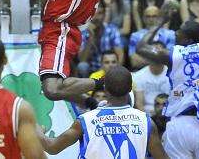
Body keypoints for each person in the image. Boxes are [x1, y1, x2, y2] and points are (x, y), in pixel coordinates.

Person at [136, 16, 199, 158]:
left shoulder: (174, 55)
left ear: (188, 41)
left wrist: (160, 22)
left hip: (180, 125)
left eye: (179, 33)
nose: (175, 34)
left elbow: (140, 47)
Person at [35, 65, 169, 159]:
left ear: (104, 89)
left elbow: (52, 147)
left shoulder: (85, 121)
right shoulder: (146, 122)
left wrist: (37, 131)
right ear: (130, 88)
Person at [129, 6, 175, 70]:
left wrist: (147, 58)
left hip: (165, 72)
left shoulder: (170, 34)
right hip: (142, 71)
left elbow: (171, 57)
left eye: (154, 16)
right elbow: (134, 62)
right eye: (148, 16)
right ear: (143, 18)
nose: (151, 19)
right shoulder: (135, 36)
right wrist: (159, 60)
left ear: (159, 18)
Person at [133, 41, 170, 114]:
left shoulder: (172, 74)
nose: (155, 56)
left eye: (158, 52)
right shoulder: (138, 76)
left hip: (169, 114)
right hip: (147, 115)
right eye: (152, 53)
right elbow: (139, 104)